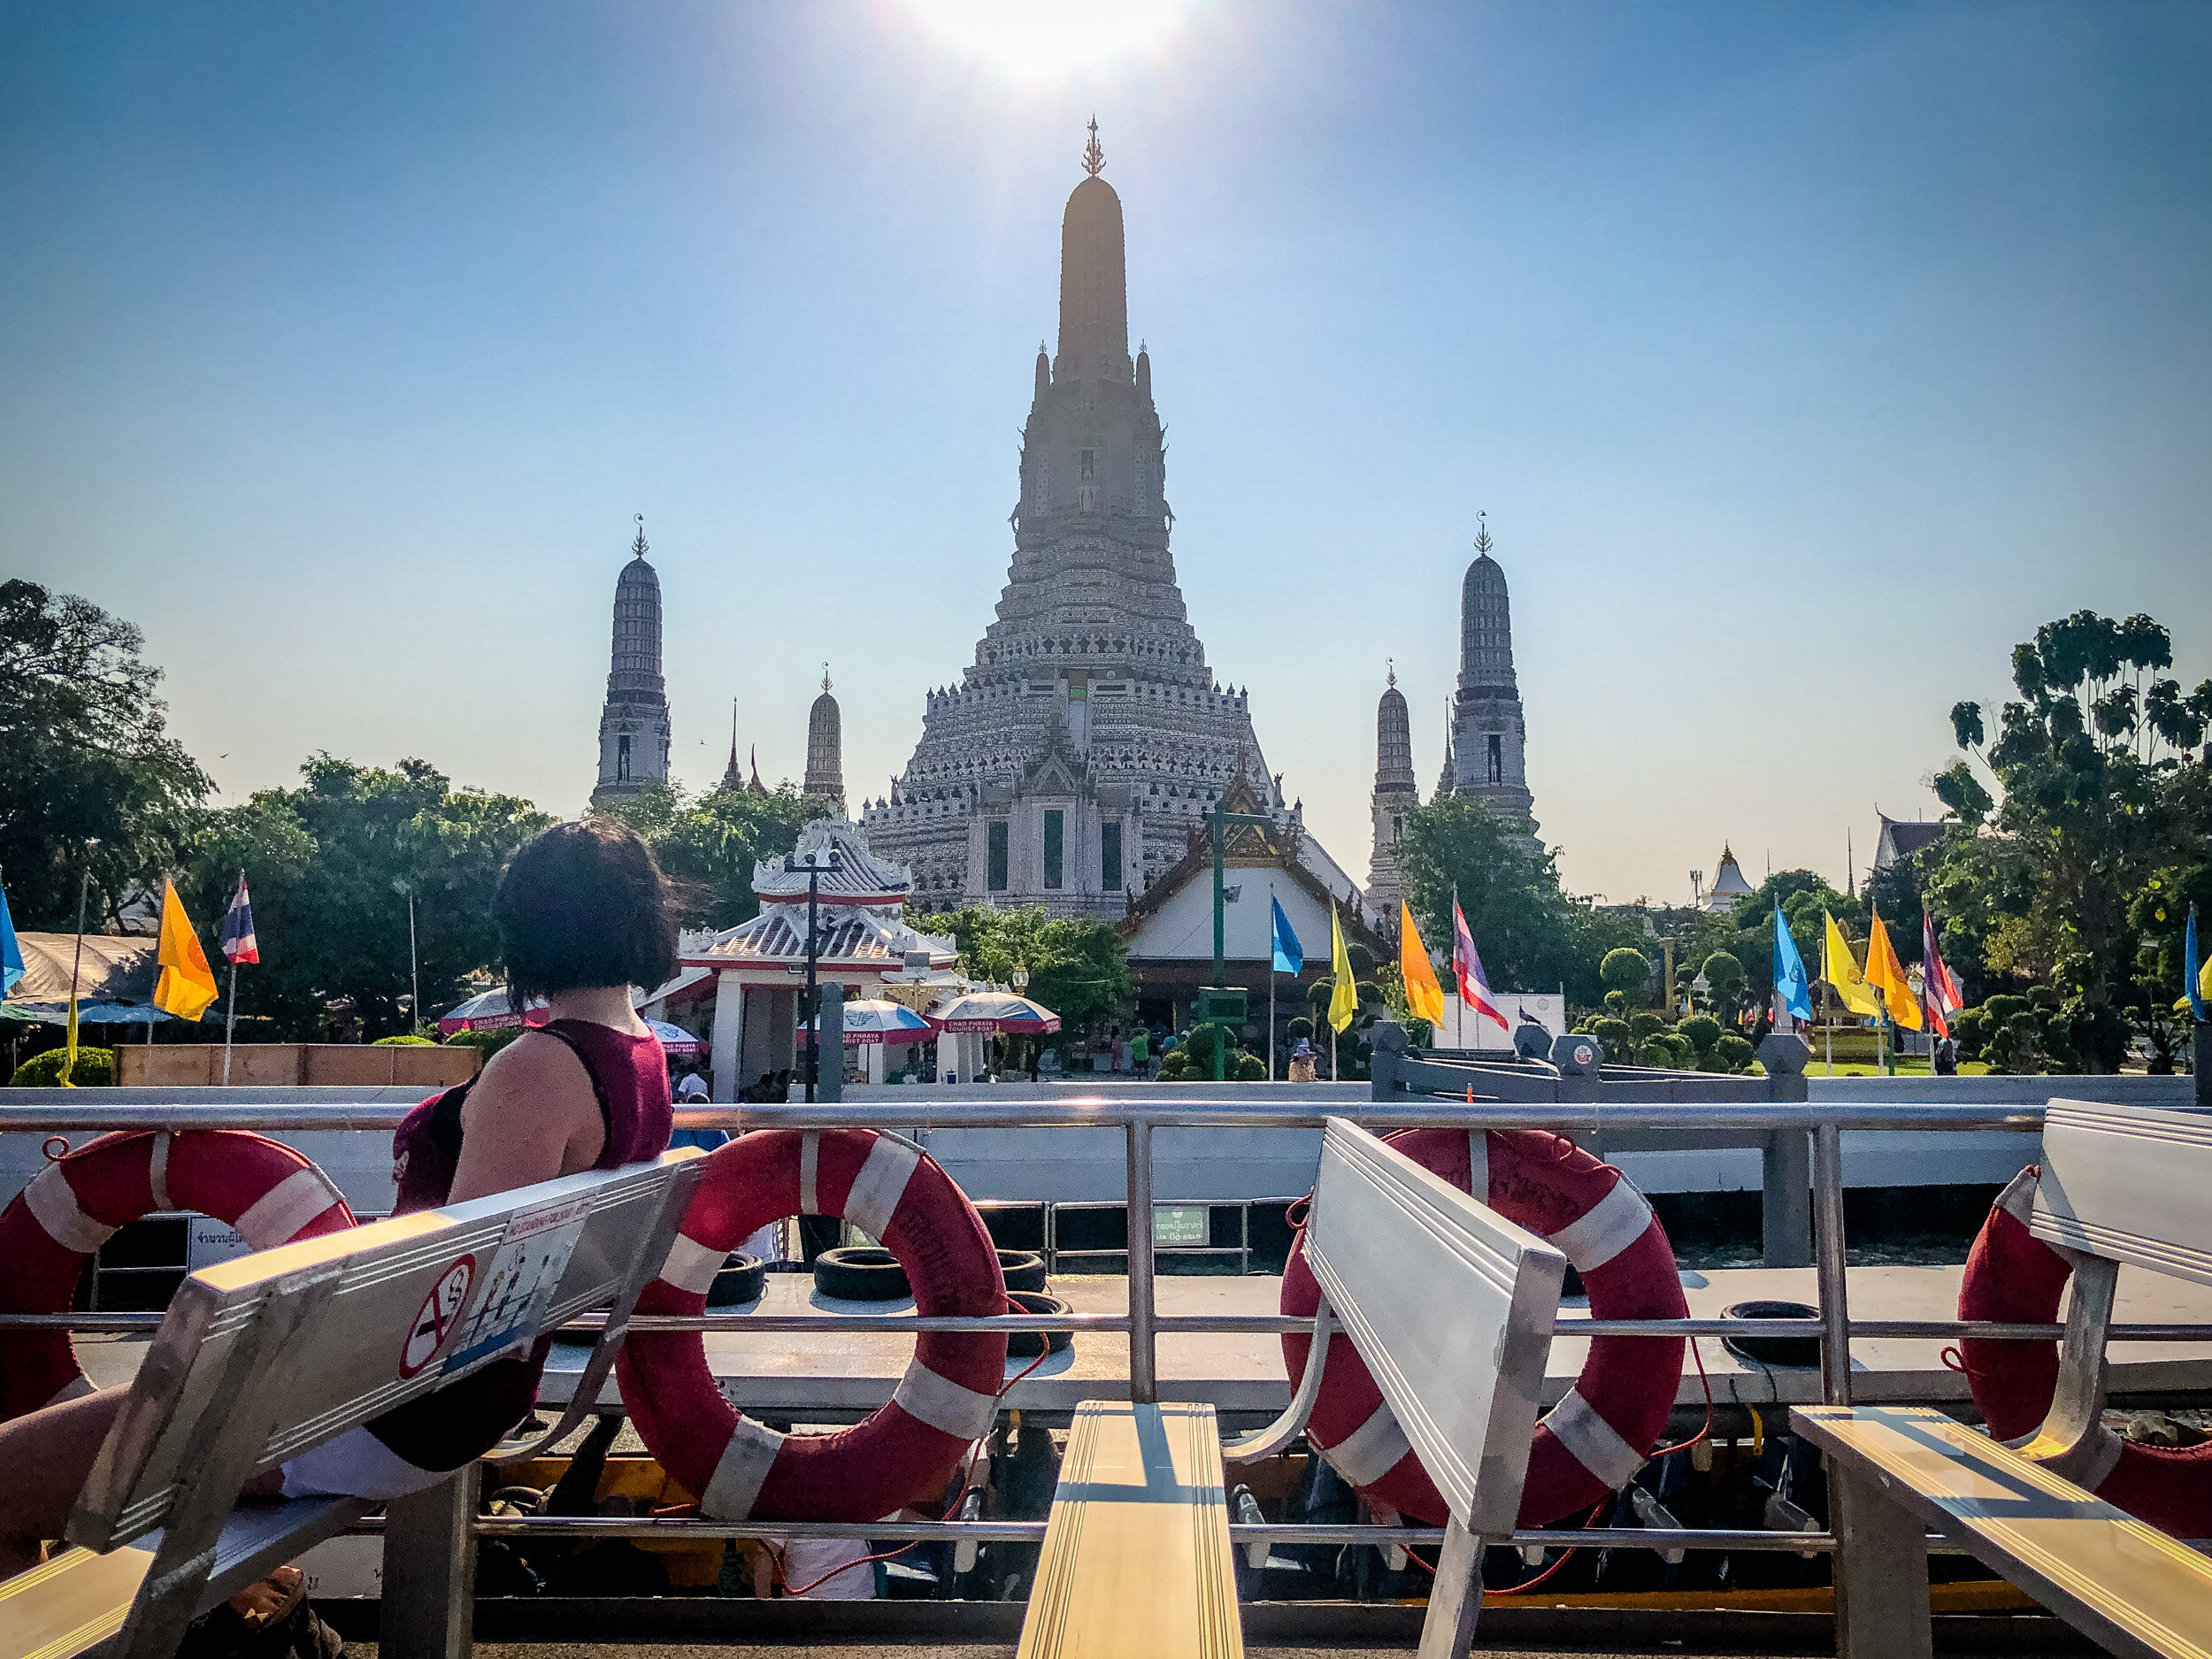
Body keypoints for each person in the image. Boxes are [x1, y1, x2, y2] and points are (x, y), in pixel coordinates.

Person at [0, 818, 681, 1581]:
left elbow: (456, 1291)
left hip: (377, 1410)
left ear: (530, 923)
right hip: (445, 1407)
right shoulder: (644, 1055)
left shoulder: (540, 1069)